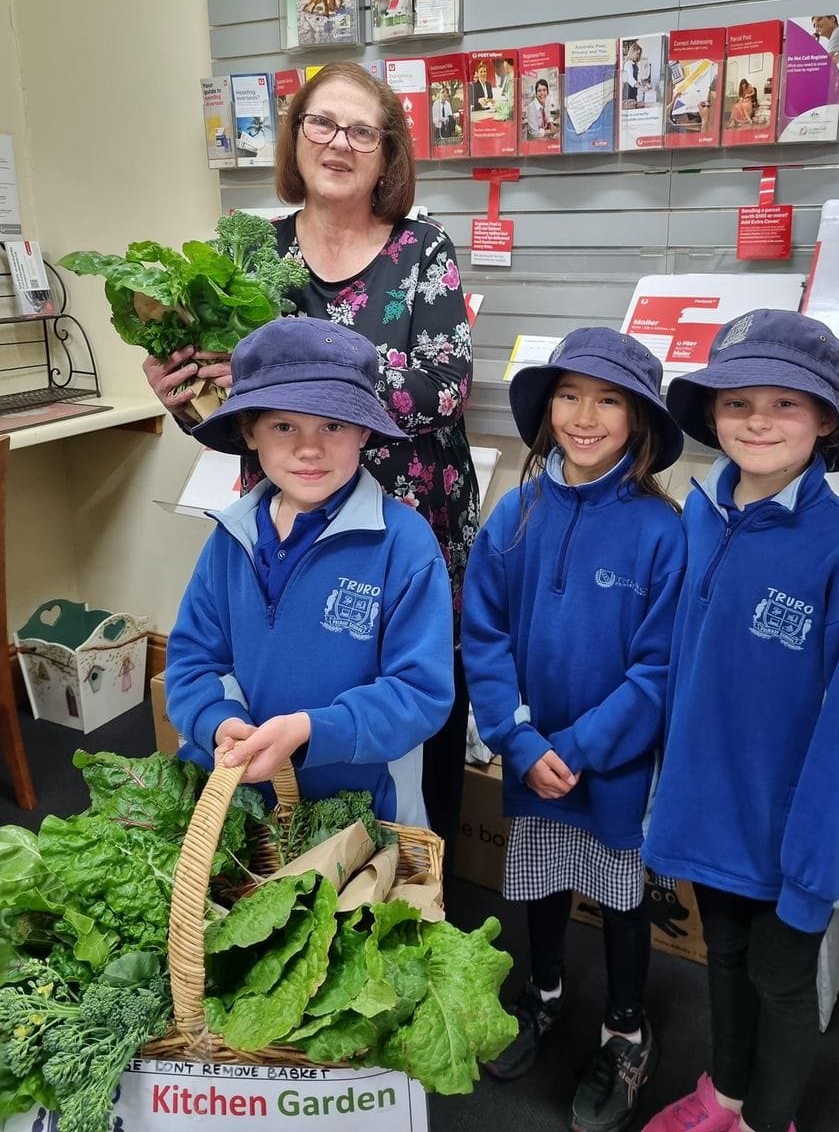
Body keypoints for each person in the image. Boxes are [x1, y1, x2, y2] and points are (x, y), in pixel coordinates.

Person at [143, 61, 479, 865]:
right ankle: (282, 855)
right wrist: (183, 392)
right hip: (288, 514)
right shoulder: (255, 251)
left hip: (406, 523)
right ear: (294, 137)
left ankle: (413, 871)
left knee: (408, 711)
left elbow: (446, 385)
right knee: (278, 686)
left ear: (387, 151)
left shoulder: (421, 248)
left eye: (363, 130)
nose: (339, 143)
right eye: (322, 123)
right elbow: (240, 408)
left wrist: (329, 373)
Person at [640, 309, 839, 1132]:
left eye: (786, 403)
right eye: (737, 401)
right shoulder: (697, 516)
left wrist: (816, 862)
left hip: (793, 835)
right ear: (713, 414)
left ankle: (768, 1120)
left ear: (827, 419)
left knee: (783, 982)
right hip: (705, 815)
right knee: (721, 960)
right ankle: (725, 1094)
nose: (758, 420)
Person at [462, 328, 687, 1132]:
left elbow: (657, 670)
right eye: (568, 394)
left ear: (640, 421)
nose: (584, 416)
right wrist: (519, 741)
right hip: (531, 755)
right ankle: (547, 989)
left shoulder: (665, 533)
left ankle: (627, 1027)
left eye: (609, 400)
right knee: (542, 879)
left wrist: (583, 748)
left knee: (623, 896)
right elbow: (483, 635)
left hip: (613, 765)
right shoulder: (513, 516)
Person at [164, 317, 454, 824]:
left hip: (363, 814)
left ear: (364, 430)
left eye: (333, 425)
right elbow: (192, 660)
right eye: (283, 426)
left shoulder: (404, 545)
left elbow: (421, 693)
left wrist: (312, 731)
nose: (309, 448)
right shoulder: (229, 540)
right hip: (243, 807)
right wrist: (216, 721)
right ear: (249, 431)